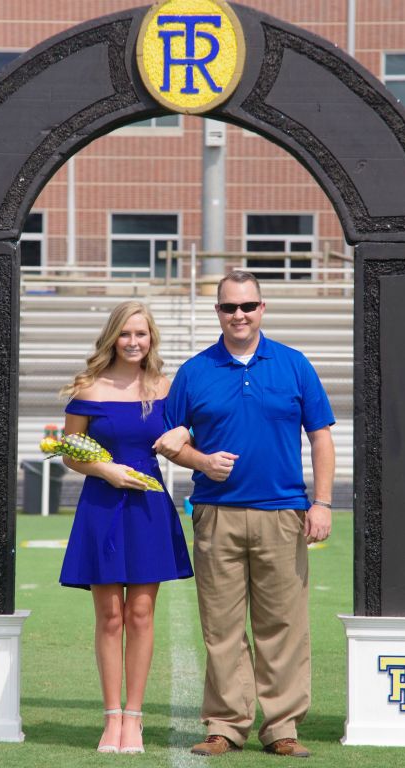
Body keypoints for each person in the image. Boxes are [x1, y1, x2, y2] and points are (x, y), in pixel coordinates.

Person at [155, 271, 335, 758]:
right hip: (216, 514)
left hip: (283, 513)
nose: (239, 315)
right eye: (229, 307)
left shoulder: (294, 365)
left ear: (262, 308)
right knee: (222, 626)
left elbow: (320, 436)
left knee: (284, 625)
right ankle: (226, 725)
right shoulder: (195, 371)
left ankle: (282, 728)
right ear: (217, 311)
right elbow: (171, 442)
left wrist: (322, 503)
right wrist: (201, 461)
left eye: (248, 306)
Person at [59, 300, 193, 754]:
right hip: (101, 506)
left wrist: (186, 434)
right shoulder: (89, 387)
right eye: (126, 333)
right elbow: (70, 451)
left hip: (148, 507)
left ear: (151, 338)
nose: (134, 342)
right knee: (110, 616)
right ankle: (111, 717)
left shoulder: (167, 388)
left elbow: (187, 435)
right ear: (112, 337)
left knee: (140, 613)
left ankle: (134, 718)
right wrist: (105, 470)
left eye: (141, 333)